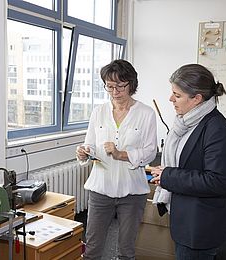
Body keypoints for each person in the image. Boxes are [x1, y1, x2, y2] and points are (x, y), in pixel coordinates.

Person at [151, 64, 226, 260]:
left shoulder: (217, 129)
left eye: (177, 95)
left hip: (200, 225)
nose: (171, 99)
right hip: (187, 217)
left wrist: (168, 175)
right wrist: (166, 174)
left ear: (197, 98)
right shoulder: (186, 122)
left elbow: (217, 182)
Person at [76, 59, 157, 260]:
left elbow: (150, 151)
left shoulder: (145, 113)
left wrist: (122, 154)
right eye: (110, 86)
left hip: (132, 192)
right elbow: (91, 144)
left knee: (126, 250)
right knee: (92, 248)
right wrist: (84, 152)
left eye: (120, 86)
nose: (115, 92)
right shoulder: (99, 112)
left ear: (131, 84)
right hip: (101, 189)